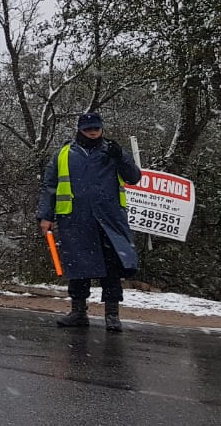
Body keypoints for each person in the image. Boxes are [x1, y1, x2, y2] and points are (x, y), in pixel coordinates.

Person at [36, 112, 142, 332]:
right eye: (89, 129)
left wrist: (120, 156)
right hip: (75, 219)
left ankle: (112, 315)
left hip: (109, 219)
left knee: (112, 267)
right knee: (78, 267)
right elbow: (50, 186)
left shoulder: (113, 151)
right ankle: (78, 312)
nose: (93, 133)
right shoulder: (63, 154)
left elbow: (134, 177)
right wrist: (46, 216)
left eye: (97, 129)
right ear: (80, 130)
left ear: (102, 129)